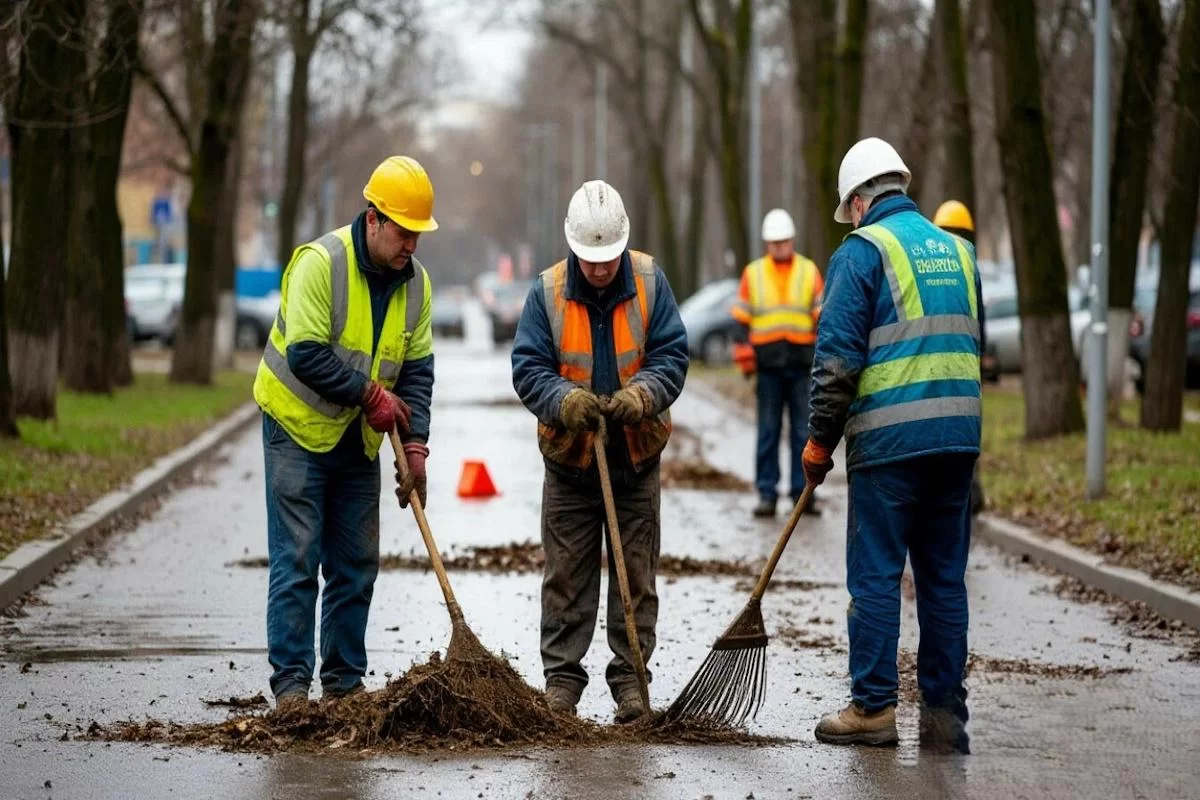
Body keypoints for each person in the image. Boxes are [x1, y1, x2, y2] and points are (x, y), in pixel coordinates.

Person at [802, 138, 982, 753]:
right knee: (942, 579)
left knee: (876, 576)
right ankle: (943, 713)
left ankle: (874, 709)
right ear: (899, 186)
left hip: (891, 445)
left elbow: (837, 362)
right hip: (958, 442)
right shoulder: (960, 251)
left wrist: (819, 442)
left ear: (858, 200)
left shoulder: (862, 251)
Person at [252, 155, 438, 712]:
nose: (412, 245)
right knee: (299, 558)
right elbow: (306, 354)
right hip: (296, 428)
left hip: (358, 439)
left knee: (357, 562)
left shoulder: (416, 285)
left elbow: (418, 372)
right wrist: (371, 395)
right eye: (405, 233)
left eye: (418, 235)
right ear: (374, 219)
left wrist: (416, 446)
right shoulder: (320, 263)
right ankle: (291, 687)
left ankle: (343, 684)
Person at [511, 180, 689, 724]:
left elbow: (673, 355)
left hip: (635, 458)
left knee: (636, 579)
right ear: (573, 248)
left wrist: (644, 395)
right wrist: (564, 402)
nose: (599, 269)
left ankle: (632, 684)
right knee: (566, 577)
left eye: (608, 259)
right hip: (570, 462)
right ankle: (562, 684)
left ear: (622, 247)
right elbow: (527, 368)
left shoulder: (649, 282)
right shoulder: (547, 292)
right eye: (590, 261)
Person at [731, 208, 825, 519]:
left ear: (792, 240)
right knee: (768, 432)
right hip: (768, 367)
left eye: (783, 241)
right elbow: (741, 323)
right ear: (767, 244)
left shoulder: (809, 271)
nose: (779, 247)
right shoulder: (753, 274)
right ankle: (766, 493)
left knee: (802, 432)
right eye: (774, 242)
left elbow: (823, 318)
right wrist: (746, 360)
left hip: (800, 366)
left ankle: (803, 495)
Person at [933, 200, 988, 516]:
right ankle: (968, 493)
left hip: (941, 369)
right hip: (965, 370)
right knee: (964, 432)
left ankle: (966, 494)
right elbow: (980, 322)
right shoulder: (968, 266)